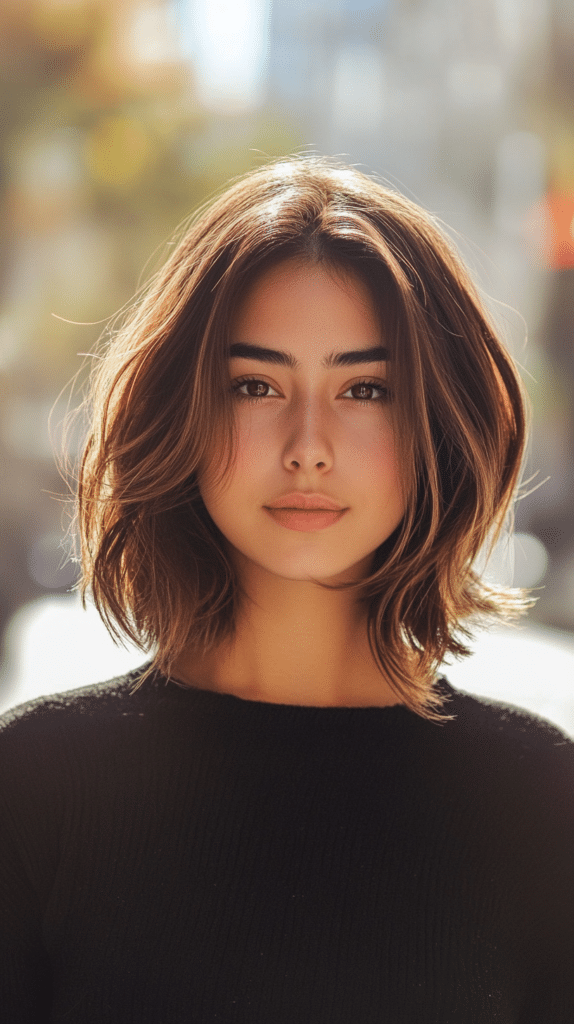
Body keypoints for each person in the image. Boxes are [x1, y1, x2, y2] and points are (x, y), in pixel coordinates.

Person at [1, 154, 572, 1022]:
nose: (309, 445)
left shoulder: (542, 803)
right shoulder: (34, 787)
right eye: (256, 385)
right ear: (183, 411)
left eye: (366, 389)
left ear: (438, 427)